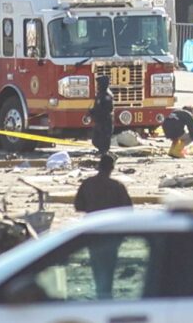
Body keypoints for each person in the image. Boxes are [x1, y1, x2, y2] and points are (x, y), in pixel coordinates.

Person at [72, 154, 130, 300]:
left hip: (93, 230)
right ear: (112, 168)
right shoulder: (117, 186)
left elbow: (78, 206)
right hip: (112, 232)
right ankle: (106, 295)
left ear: (98, 166)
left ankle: (100, 293)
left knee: (96, 264)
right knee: (109, 266)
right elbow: (128, 209)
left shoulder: (88, 184)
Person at [89, 75, 114, 155]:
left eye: (99, 84)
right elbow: (97, 106)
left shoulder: (107, 95)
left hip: (105, 120)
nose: (98, 86)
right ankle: (101, 151)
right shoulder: (100, 94)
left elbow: (108, 109)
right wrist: (91, 112)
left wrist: (97, 113)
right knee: (95, 139)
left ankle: (104, 153)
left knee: (104, 137)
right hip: (99, 120)